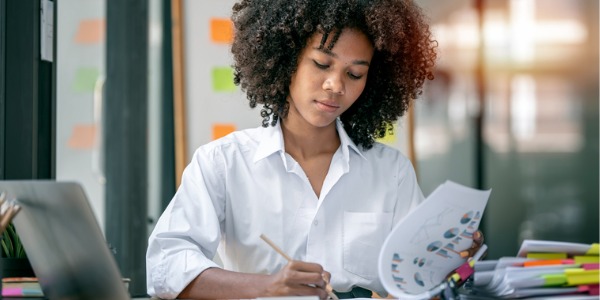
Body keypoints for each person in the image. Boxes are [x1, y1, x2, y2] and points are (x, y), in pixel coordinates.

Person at [146, 0, 483, 299]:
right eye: (322, 64)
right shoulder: (224, 162)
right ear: (286, 58)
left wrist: (456, 265)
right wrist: (267, 286)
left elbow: (425, 289)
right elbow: (165, 268)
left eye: (354, 73)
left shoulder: (390, 171)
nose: (336, 86)